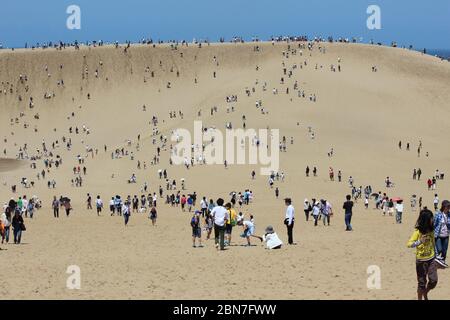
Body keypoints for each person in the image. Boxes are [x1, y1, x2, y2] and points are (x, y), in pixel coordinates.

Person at [407, 208, 443, 300]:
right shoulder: (417, 232)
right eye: (431, 218)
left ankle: (426, 292)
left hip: (431, 259)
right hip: (421, 261)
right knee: (421, 283)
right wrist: (420, 241)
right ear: (426, 220)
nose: (433, 220)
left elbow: (433, 243)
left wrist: (437, 257)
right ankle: (421, 297)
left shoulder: (431, 230)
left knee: (434, 281)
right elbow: (409, 244)